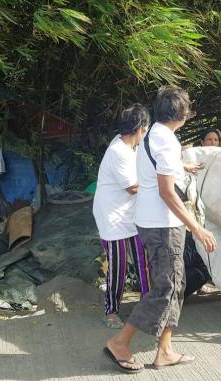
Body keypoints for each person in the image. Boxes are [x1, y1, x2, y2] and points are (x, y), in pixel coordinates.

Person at [104, 85, 217, 374]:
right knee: (166, 287)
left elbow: (158, 172)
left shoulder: (153, 134)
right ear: (182, 113)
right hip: (163, 225)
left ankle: (165, 350)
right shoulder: (167, 141)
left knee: (175, 285)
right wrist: (198, 229)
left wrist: (182, 168)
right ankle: (120, 341)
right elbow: (167, 193)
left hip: (152, 221)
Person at [92, 104, 152, 329]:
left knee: (142, 261)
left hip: (130, 215)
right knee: (117, 266)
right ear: (139, 129)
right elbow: (133, 187)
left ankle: (148, 305)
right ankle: (111, 311)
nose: (145, 134)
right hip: (113, 218)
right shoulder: (119, 151)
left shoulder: (130, 146)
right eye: (145, 129)